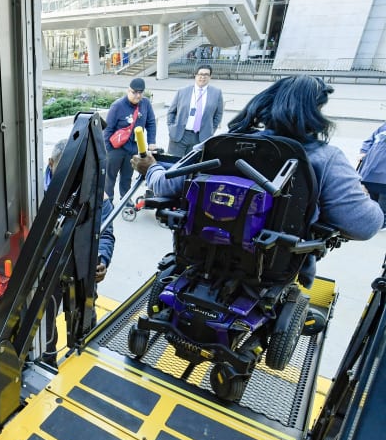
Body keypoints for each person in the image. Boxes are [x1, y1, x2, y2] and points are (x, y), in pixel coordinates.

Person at [130, 75, 384, 285]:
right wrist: (362, 195)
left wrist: (150, 168)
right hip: (275, 274)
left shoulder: (221, 144)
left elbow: (165, 184)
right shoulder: (324, 158)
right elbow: (365, 225)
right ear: (314, 112)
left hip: (202, 258)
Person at [41, 139, 116, 365]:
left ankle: (85, 360)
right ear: (50, 163)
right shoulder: (33, 189)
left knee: (84, 316)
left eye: (76, 173)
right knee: (45, 322)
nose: (70, 180)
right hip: (48, 268)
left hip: (82, 264)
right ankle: (48, 363)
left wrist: (101, 259)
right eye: (64, 171)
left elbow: (105, 233)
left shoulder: (95, 194)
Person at [102, 77, 156, 203]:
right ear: (128, 91)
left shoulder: (146, 104)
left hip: (133, 148)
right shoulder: (117, 106)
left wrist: (151, 141)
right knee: (110, 177)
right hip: (115, 149)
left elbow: (151, 123)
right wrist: (107, 151)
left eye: (140, 93)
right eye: (134, 92)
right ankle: (107, 202)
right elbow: (108, 129)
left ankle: (125, 199)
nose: (137, 95)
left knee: (127, 177)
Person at [165, 65, 224, 157]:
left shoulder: (216, 93)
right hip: (180, 135)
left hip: (201, 138)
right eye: (200, 74)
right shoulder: (182, 91)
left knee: (192, 167)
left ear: (210, 77)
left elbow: (218, 115)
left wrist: (211, 130)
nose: (202, 77)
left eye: (206, 75)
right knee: (172, 165)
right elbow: (171, 111)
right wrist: (171, 127)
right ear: (195, 75)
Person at [357, 121, 386, 230]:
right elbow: (369, 140)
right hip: (371, 172)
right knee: (372, 200)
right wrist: (363, 151)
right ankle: (373, 220)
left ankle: (381, 222)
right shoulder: (383, 127)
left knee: (383, 201)